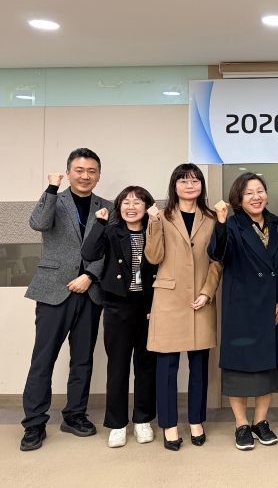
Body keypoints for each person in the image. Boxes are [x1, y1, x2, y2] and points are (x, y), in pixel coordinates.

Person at [20, 148, 112, 452]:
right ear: (69, 172)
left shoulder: (107, 207)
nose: (85, 176)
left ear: (99, 175)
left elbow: (110, 249)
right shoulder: (54, 200)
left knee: (82, 359)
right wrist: (51, 187)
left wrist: (90, 276)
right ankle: (34, 423)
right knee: (43, 359)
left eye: (91, 171)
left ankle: (74, 416)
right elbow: (38, 223)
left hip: (90, 292)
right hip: (53, 289)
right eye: (79, 170)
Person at [209, 173, 278, 451]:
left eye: (260, 191)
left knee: (268, 367)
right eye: (249, 193)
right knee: (240, 368)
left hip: (273, 306)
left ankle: (260, 422)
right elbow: (218, 254)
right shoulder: (232, 224)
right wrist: (221, 223)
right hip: (242, 308)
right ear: (238, 199)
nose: (256, 197)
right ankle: (241, 424)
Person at [145, 163, 221, 451]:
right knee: (167, 366)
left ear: (202, 185)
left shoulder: (211, 218)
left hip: (200, 299)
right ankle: (169, 424)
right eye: (184, 181)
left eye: (195, 181)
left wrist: (207, 292)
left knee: (199, 365)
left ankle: (196, 421)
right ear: (174, 186)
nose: (190, 186)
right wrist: (153, 224)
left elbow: (217, 260)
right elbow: (154, 257)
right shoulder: (162, 216)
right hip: (169, 299)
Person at [81, 186, 158, 448]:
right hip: (117, 305)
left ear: (147, 207)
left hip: (148, 305)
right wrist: (100, 223)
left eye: (137, 202)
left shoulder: (154, 231)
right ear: (119, 207)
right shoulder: (111, 230)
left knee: (146, 365)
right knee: (117, 366)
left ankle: (143, 420)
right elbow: (89, 254)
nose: (131, 207)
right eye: (126, 202)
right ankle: (117, 424)